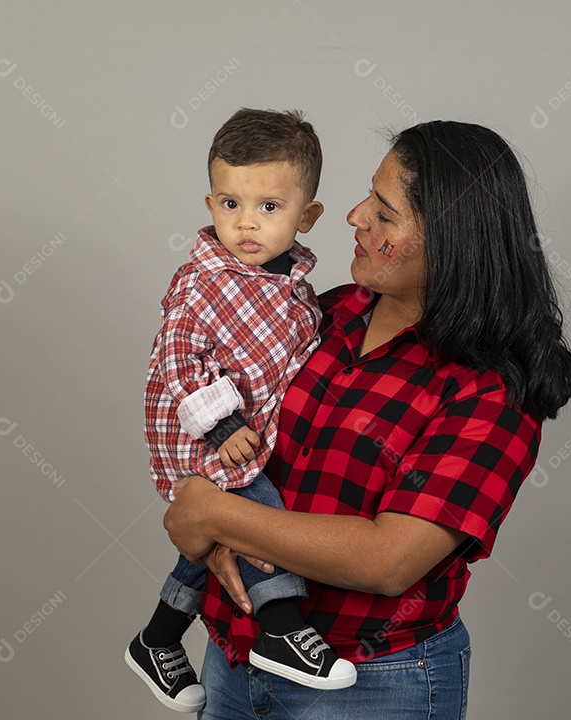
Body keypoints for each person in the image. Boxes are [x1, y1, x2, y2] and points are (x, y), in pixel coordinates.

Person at [162, 120, 571, 719]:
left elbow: (389, 560)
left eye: (384, 213)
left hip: (373, 681)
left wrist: (212, 514)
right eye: (368, 197)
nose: (355, 216)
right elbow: (218, 422)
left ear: (452, 239)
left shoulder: (491, 386)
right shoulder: (322, 313)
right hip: (234, 658)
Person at [125, 108, 357, 715]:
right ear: (209, 203)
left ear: (308, 216)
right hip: (202, 430)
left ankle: (158, 637)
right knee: (256, 509)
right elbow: (178, 356)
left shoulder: (298, 288)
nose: (246, 223)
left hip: (250, 430)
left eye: (269, 208)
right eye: (229, 204)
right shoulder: (204, 280)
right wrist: (222, 423)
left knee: (217, 532)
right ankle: (279, 623)